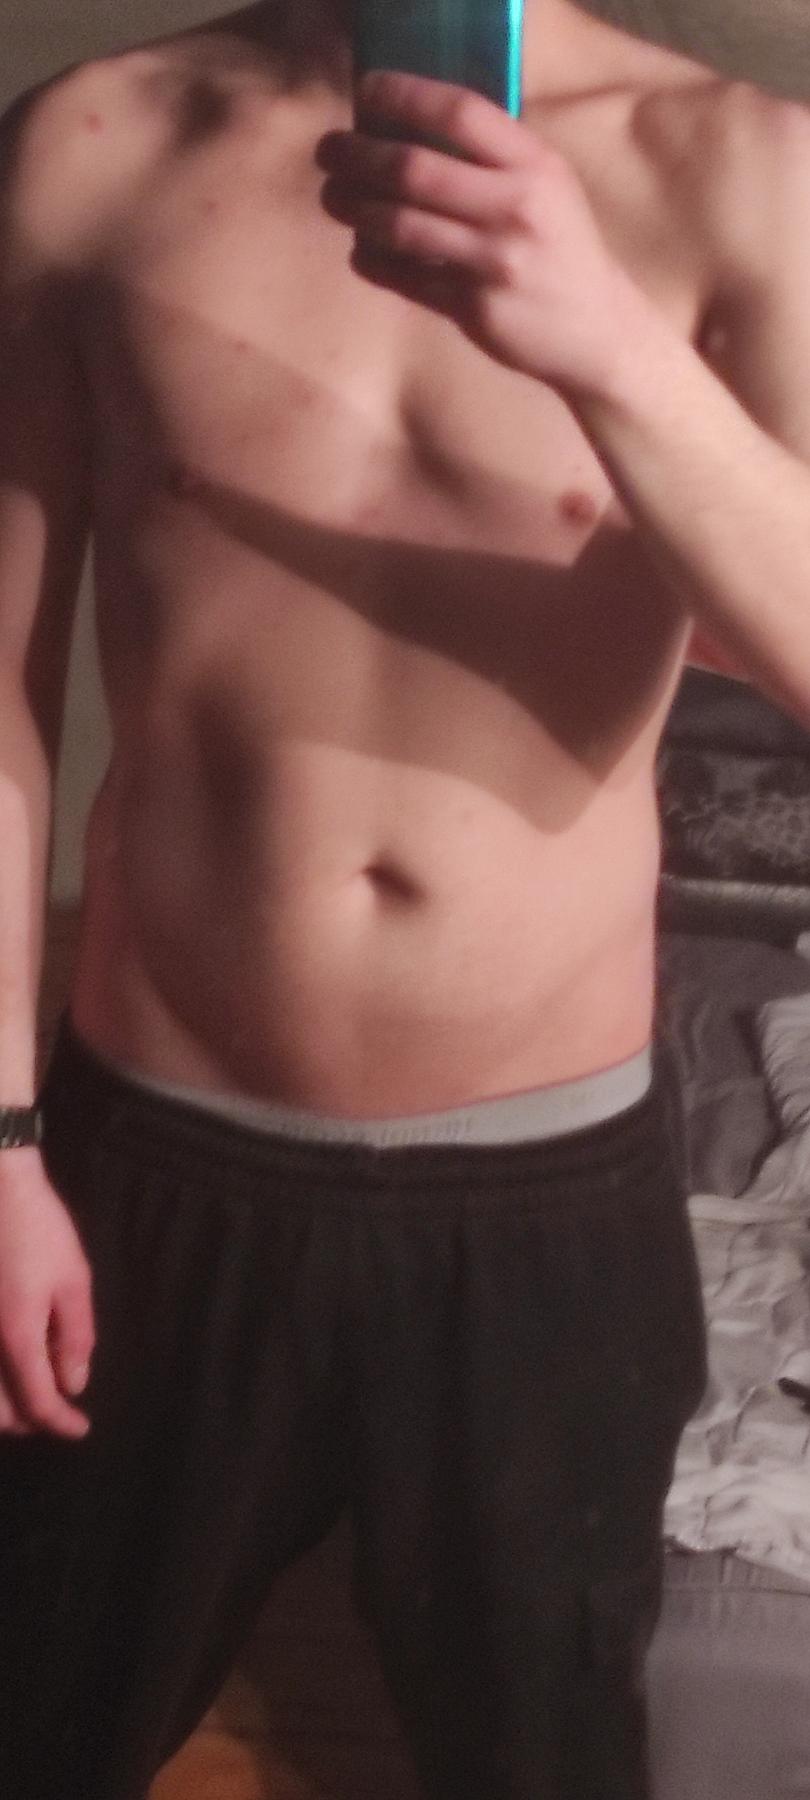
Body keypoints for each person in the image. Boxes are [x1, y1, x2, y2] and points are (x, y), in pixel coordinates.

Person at [1, 1, 809, 1794]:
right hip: (152, 1163)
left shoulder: (740, 172)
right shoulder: (90, 148)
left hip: (544, 1201)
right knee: (37, 1720)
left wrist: (612, 351)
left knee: (538, 1756)